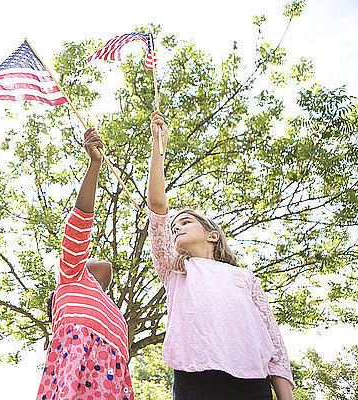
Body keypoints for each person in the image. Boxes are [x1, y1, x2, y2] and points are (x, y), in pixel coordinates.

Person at [146, 110, 295, 400]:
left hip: (253, 380)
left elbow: (271, 337)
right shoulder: (175, 271)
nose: (176, 228)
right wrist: (158, 146)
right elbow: (157, 205)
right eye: (174, 227)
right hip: (195, 377)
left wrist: (285, 395)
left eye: (186, 222)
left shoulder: (243, 277)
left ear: (212, 235)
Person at [36, 128, 134, 400]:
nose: (95, 263)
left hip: (112, 379)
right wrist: (95, 165)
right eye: (84, 261)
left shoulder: (110, 308)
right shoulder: (71, 277)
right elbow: (80, 224)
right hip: (78, 372)